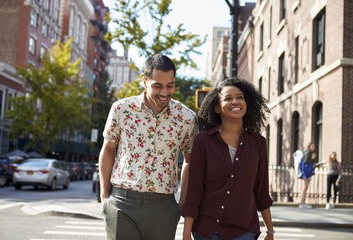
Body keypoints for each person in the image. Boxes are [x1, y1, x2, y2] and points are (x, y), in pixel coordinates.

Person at [99, 54, 198, 240]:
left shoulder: (187, 118)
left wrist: (182, 202)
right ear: (144, 81)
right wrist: (104, 197)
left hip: (163, 206)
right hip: (122, 202)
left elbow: (190, 161)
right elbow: (108, 149)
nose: (165, 92)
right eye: (157, 86)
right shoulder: (121, 109)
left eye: (170, 85)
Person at [181, 77, 274, 240]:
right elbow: (194, 190)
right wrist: (186, 233)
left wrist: (270, 231)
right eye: (228, 98)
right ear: (217, 108)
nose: (235, 101)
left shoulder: (258, 143)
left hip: (244, 230)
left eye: (240, 97)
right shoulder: (203, 141)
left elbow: (261, 191)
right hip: (207, 229)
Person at [299, 143, 317, 209]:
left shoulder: (311, 153)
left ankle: (303, 202)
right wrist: (312, 158)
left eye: (314, 146)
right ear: (309, 146)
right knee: (305, 187)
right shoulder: (308, 153)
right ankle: (302, 203)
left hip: (308, 172)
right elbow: (306, 161)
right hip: (306, 172)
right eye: (312, 146)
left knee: (306, 187)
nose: (313, 147)